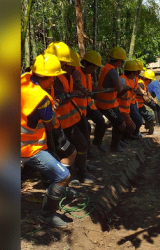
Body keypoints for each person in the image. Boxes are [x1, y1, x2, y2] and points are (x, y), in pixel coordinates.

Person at [21, 53, 71, 227]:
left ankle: (56, 190)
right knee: (63, 176)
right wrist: (53, 110)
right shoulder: (41, 99)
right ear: (47, 77)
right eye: (53, 78)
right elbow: (50, 126)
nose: (53, 82)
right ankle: (47, 214)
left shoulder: (23, 79)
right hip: (28, 148)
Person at [45, 43, 95, 183]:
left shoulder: (68, 75)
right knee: (67, 151)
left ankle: (80, 170)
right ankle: (64, 178)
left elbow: (73, 87)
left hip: (70, 119)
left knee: (81, 144)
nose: (75, 68)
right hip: (57, 122)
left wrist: (81, 91)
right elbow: (58, 99)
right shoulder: (54, 79)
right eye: (72, 65)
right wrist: (74, 94)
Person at [96, 47, 129, 152]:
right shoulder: (113, 71)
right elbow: (119, 90)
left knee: (115, 123)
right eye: (122, 61)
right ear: (119, 60)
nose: (122, 63)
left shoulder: (106, 67)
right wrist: (126, 89)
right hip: (107, 105)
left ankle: (115, 142)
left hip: (109, 103)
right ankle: (114, 146)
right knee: (121, 124)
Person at [78, 51, 109, 153]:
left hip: (88, 105)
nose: (94, 70)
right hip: (78, 107)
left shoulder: (87, 73)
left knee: (101, 122)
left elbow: (90, 88)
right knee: (85, 128)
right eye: (94, 67)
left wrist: (104, 90)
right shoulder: (76, 73)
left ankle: (97, 142)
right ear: (86, 64)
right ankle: (87, 151)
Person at [117, 60, 141, 140]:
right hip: (121, 108)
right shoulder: (122, 80)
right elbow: (117, 94)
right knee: (131, 126)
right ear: (131, 73)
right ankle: (123, 139)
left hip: (127, 108)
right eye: (135, 73)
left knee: (129, 125)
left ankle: (124, 139)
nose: (136, 75)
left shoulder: (128, 79)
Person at [136, 70, 156, 135]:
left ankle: (148, 129)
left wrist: (153, 99)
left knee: (147, 117)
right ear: (148, 79)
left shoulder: (145, 83)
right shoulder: (141, 84)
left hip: (140, 105)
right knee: (148, 117)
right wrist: (151, 96)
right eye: (151, 79)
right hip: (137, 106)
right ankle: (136, 133)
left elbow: (148, 94)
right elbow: (145, 99)